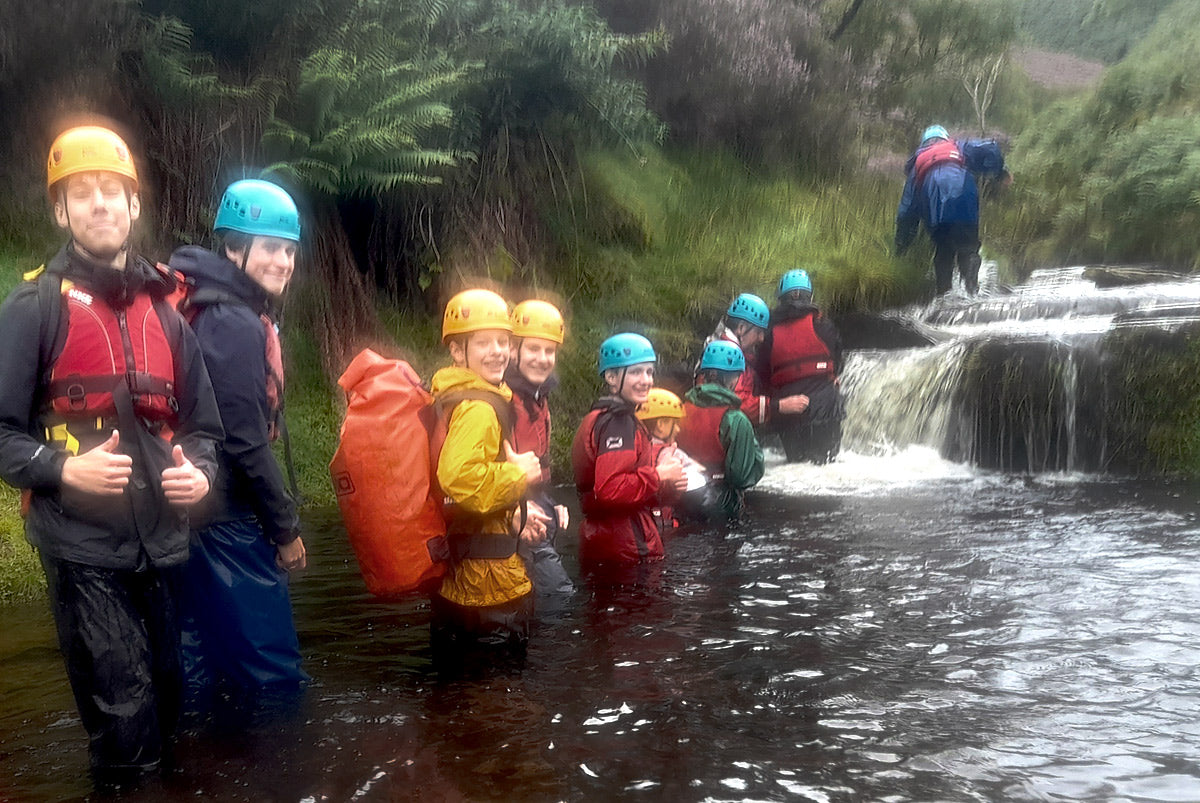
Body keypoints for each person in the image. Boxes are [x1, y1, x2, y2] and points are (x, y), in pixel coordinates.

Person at [0, 124, 222, 787]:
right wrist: (64, 468)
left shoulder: (170, 317)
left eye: (112, 192)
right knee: (126, 728)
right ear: (62, 211)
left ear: (133, 207)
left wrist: (201, 473)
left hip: (160, 543)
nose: (100, 204)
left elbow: (204, 428)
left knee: (171, 706)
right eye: (82, 193)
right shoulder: (33, 306)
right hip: (81, 547)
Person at [167, 179, 308, 711]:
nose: (284, 261)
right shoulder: (231, 320)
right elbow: (245, 440)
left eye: (290, 250)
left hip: (198, 517)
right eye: (270, 246)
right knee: (273, 677)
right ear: (232, 247)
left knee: (202, 667)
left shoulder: (211, 307)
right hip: (228, 522)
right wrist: (285, 528)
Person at [430, 289, 547, 659]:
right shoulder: (478, 407)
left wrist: (513, 512)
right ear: (457, 351)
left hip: (464, 581)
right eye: (484, 342)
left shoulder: (459, 396)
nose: (498, 351)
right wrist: (518, 475)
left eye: (503, 341)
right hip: (488, 590)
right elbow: (459, 478)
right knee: (502, 709)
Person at [571, 333, 687, 578]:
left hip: (610, 540)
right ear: (612, 378)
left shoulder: (608, 417)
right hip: (625, 546)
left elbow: (632, 493)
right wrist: (658, 474)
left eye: (649, 372)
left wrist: (668, 485)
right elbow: (610, 490)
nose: (646, 380)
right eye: (635, 372)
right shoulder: (617, 423)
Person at [504, 298, 574, 603]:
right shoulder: (500, 400)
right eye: (533, 349)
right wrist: (513, 509)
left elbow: (536, 470)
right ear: (513, 351)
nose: (543, 359)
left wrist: (549, 503)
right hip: (513, 515)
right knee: (559, 598)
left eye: (550, 351)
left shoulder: (537, 396)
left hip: (534, 505)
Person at [894, 124, 1010, 295]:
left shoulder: (918, 164)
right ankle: (971, 292)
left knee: (944, 249)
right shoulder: (959, 146)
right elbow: (991, 148)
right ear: (945, 138)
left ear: (924, 144)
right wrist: (999, 172)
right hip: (965, 199)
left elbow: (907, 211)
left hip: (934, 208)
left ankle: (944, 296)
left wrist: (901, 246)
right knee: (968, 247)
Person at [757, 269, 844, 464]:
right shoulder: (823, 324)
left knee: (797, 464)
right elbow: (837, 359)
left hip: (788, 407)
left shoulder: (769, 331)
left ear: (781, 297)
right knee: (827, 463)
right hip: (825, 404)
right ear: (809, 295)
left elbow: (762, 372)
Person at [676, 341, 764, 520]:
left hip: (682, 498)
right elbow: (740, 477)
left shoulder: (679, 410)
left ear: (705, 374)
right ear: (734, 379)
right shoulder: (737, 420)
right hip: (721, 504)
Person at [703, 292, 808, 427]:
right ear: (741, 328)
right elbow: (738, 404)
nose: (761, 339)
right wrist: (780, 406)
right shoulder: (728, 357)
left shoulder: (719, 344)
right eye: (758, 332)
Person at [635, 388, 703, 537]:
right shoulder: (673, 454)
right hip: (664, 529)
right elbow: (701, 475)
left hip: (637, 528)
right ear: (661, 424)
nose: (678, 429)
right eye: (675, 423)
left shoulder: (631, 450)